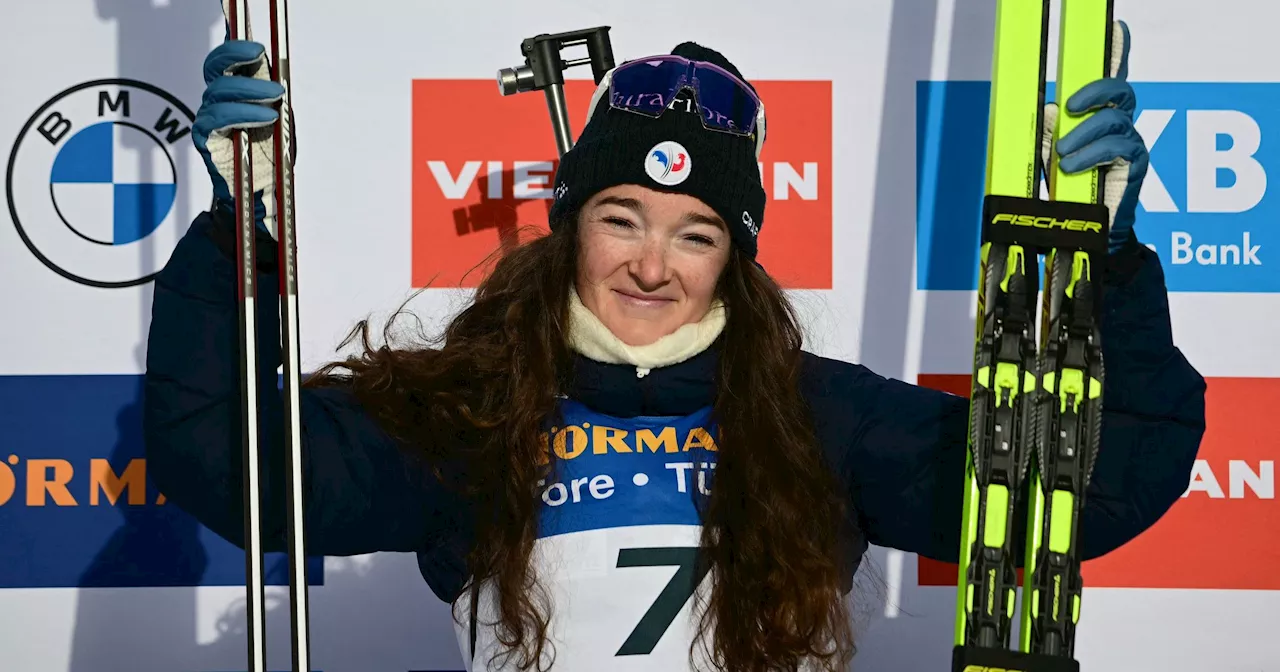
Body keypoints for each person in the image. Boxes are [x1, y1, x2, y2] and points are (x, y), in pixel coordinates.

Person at [144, 20, 1205, 672]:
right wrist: (241, 232)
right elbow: (219, 458)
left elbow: (1089, 494)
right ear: (569, 224)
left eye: (694, 234)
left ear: (732, 258)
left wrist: (1102, 262)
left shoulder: (817, 415)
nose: (651, 266)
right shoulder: (477, 412)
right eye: (621, 218)